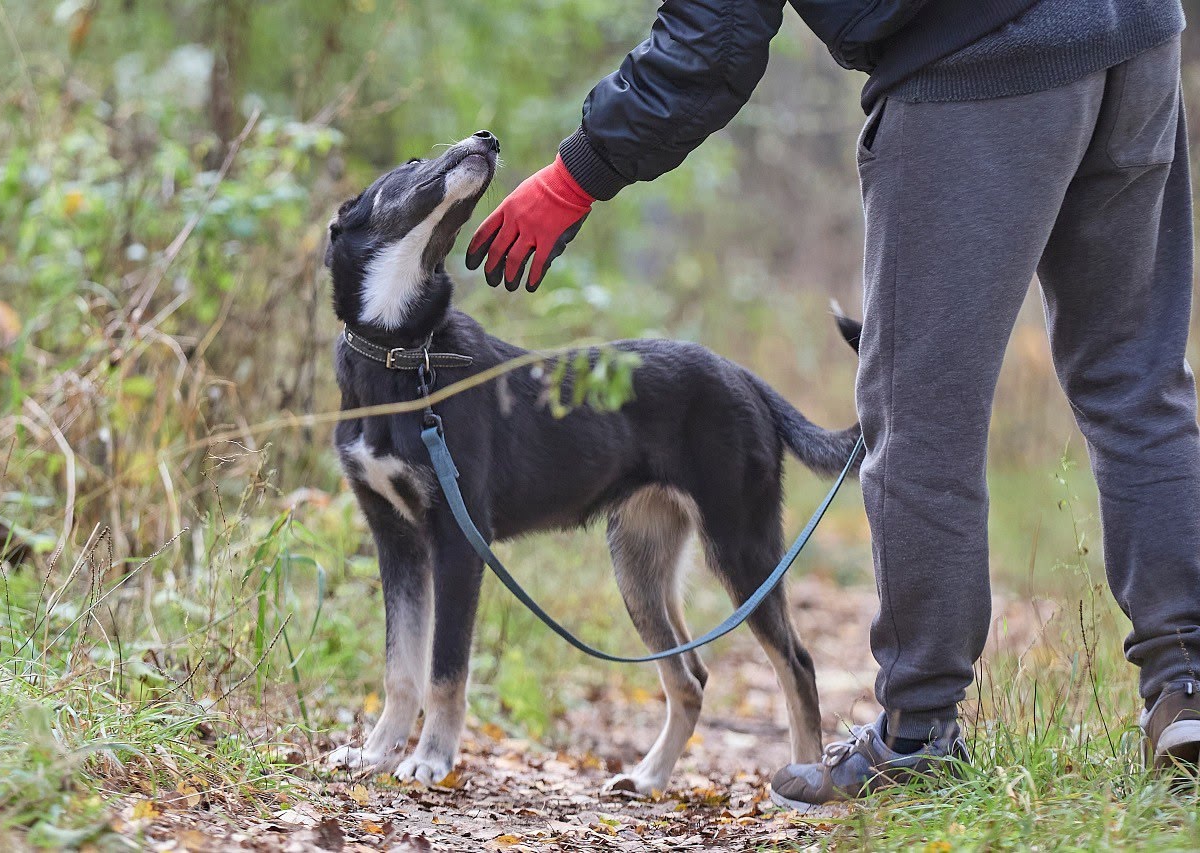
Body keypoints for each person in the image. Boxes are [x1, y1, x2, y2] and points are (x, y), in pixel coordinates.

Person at [466, 0, 1200, 805]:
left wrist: (578, 173)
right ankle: (1186, 688)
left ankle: (918, 734)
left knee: (923, 412)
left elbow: (715, 38)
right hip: (1137, 35)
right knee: (1137, 378)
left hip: (975, 60)